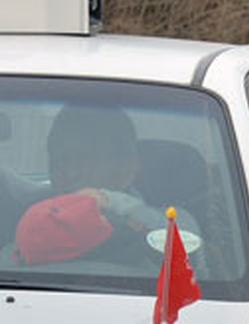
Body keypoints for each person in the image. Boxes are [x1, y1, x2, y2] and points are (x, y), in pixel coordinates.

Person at [10, 104, 198, 267]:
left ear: (126, 168)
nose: (70, 172)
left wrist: (109, 202)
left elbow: (189, 258)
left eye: (84, 159)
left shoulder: (176, 221)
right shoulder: (31, 223)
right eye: (59, 160)